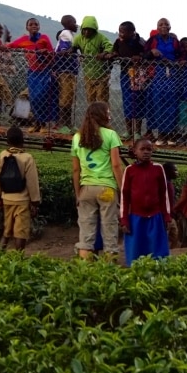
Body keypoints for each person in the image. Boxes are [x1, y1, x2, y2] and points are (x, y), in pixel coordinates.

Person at [70, 102, 126, 261]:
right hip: (107, 189)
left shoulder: (77, 137)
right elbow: (116, 165)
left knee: (86, 235)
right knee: (110, 231)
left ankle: (85, 272)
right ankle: (109, 272)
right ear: (102, 115)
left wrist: (77, 193)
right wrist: (122, 189)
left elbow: (75, 170)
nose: (110, 115)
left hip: (86, 189)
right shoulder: (110, 135)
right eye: (108, 112)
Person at [119, 138, 173, 265]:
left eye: (149, 149)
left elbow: (164, 194)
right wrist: (124, 219)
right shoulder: (130, 170)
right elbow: (124, 196)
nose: (146, 152)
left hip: (156, 217)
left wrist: (167, 216)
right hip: (136, 218)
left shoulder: (158, 169)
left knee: (159, 251)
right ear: (135, 151)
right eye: (142, 149)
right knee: (135, 251)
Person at [0, 127, 41, 250]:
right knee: (20, 232)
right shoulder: (27, 158)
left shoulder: (2, 155)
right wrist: (35, 202)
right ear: (22, 140)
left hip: (6, 199)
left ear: (7, 141)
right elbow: (32, 182)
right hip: (22, 201)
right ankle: (18, 260)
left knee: (6, 230)